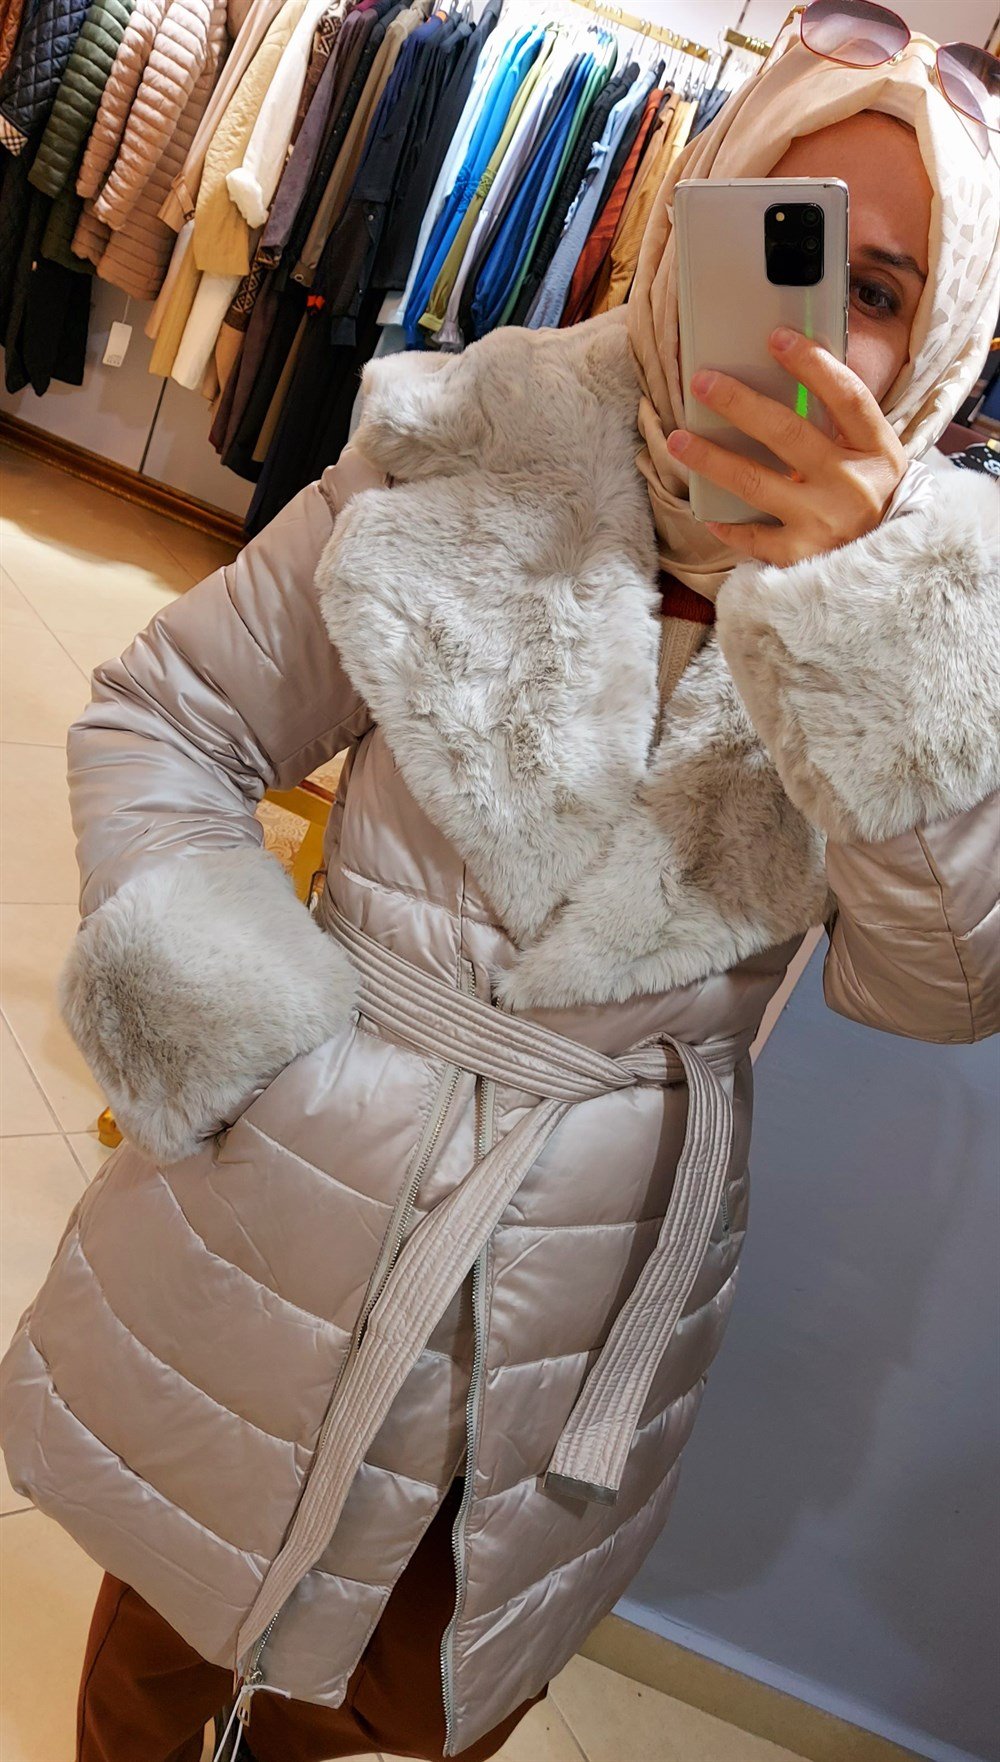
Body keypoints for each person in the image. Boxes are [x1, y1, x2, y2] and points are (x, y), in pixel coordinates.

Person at [2, 12, 998, 1762]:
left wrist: (855, 623)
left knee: (407, 1676)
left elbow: (940, 982)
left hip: (584, 1270)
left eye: (877, 287)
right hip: (302, 1170)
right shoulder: (470, 435)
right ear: (693, 215)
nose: (808, 324)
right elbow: (172, 715)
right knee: (168, 1627)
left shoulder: (946, 613)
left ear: (949, 337)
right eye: (782, 239)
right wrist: (236, 1021)